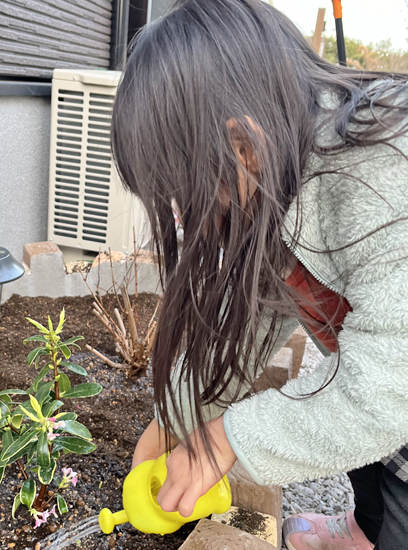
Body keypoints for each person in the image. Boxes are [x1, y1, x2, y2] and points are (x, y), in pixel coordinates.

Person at [110, 1, 408, 549]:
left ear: (242, 148)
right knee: (366, 456)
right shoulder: (274, 177)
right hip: (381, 379)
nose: (186, 215)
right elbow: (249, 313)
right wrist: (175, 417)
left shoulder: (387, 176)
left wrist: (226, 440)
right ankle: (363, 528)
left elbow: (391, 389)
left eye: (189, 194)